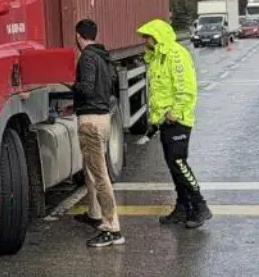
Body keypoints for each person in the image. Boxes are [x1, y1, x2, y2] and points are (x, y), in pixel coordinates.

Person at [136, 19, 211, 228]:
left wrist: (175, 112)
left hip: (179, 120)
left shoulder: (176, 54)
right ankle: (182, 207)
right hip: (165, 122)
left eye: (147, 37)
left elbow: (186, 87)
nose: (144, 41)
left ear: (157, 36)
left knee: (179, 163)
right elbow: (160, 92)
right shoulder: (158, 58)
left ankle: (200, 206)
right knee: (173, 166)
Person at [71, 19, 124, 248]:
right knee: (91, 172)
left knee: (100, 176)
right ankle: (94, 214)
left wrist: (69, 84)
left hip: (90, 122)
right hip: (102, 117)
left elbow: (87, 88)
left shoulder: (87, 57)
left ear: (78, 36)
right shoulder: (104, 57)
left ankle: (112, 228)